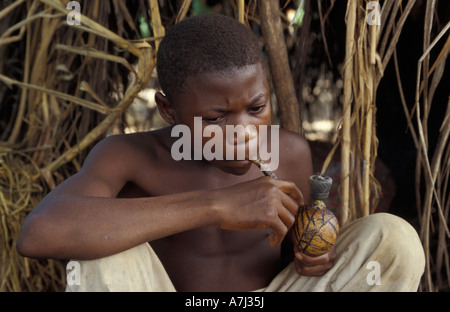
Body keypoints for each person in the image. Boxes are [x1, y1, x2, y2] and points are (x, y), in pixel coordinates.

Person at [16, 14, 425, 292]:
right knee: (99, 253)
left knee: (395, 239)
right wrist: (214, 205)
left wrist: (311, 258)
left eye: (257, 108)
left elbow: (294, 261)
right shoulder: (130, 157)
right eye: (215, 118)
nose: (243, 132)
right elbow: (40, 233)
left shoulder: (290, 153)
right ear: (168, 109)